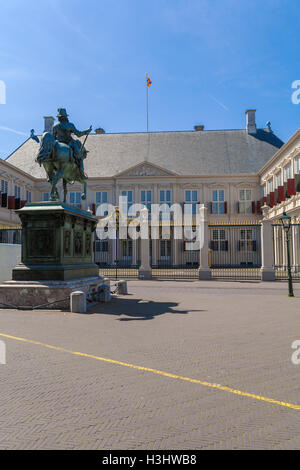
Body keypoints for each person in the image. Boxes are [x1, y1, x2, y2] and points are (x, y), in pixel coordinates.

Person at [52, 108, 92, 177]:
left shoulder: (55, 126)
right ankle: (81, 173)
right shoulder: (70, 125)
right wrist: (87, 131)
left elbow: (53, 138)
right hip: (69, 143)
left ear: (59, 117)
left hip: (58, 143)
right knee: (79, 156)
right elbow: (78, 134)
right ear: (66, 117)